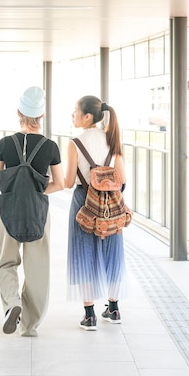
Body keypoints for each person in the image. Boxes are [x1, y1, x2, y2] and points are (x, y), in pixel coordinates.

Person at [0, 86, 64, 337]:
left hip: (8, 210)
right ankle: (29, 325)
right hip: (37, 214)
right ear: (41, 117)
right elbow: (60, 183)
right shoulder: (50, 147)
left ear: (18, 113)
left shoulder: (4, 144)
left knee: (5, 262)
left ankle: (13, 303)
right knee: (37, 269)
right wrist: (37, 192)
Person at [63, 95, 128, 331]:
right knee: (113, 254)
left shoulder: (75, 143)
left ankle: (89, 315)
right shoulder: (112, 140)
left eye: (75, 111)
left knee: (84, 255)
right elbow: (122, 180)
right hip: (110, 203)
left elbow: (69, 182)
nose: (73, 115)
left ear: (87, 116)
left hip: (83, 202)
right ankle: (113, 308)